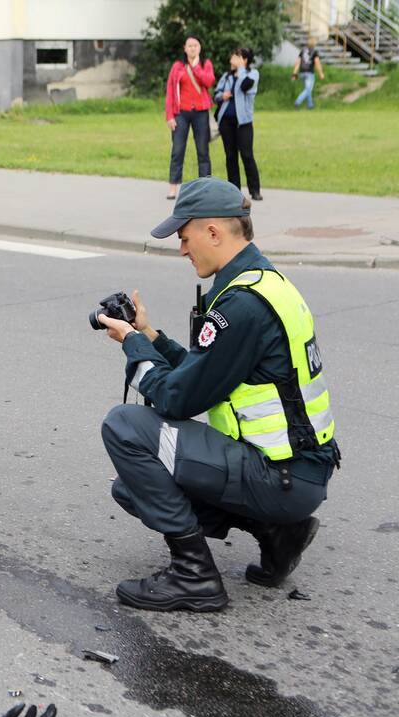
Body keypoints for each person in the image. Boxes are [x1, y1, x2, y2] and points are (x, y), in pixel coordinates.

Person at [97, 177, 339, 613]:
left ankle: (195, 577)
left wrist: (134, 345)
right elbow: (204, 373)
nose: (183, 249)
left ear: (213, 232)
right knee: (130, 490)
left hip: (279, 477)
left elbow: (177, 399)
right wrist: (149, 334)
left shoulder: (241, 305)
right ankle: (279, 534)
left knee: (124, 426)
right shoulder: (264, 282)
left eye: (184, 237)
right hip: (296, 472)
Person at [165, 37, 215, 200]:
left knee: (203, 151)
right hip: (181, 113)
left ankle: (205, 187)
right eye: (190, 46)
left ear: (200, 48)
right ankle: (174, 186)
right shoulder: (177, 67)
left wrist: (196, 68)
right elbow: (170, 91)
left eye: (195, 46)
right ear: (184, 48)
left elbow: (209, 81)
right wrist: (170, 116)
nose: (192, 49)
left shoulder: (205, 64)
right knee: (178, 150)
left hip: (200, 112)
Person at [214, 48, 262, 201]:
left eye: (235, 57)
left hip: (244, 123)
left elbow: (244, 86)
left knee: (247, 155)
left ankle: (255, 190)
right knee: (230, 156)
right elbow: (216, 94)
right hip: (226, 122)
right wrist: (222, 95)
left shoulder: (252, 74)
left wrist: (241, 69)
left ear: (244, 59)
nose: (231, 60)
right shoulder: (226, 76)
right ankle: (234, 191)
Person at [293, 38, 325, 109]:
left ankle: (310, 105)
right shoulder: (315, 52)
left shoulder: (303, 51)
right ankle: (297, 102)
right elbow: (317, 63)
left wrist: (294, 73)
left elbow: (297, 62)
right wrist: (321, 73)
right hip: (309, 74)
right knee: (308, 90)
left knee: (307, 89)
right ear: (314, 44)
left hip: (302, 73)